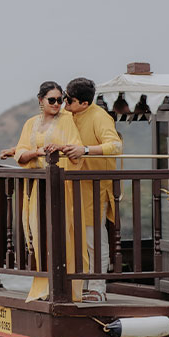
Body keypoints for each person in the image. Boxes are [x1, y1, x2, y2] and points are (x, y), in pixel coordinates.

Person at [14, 81, 86, 302]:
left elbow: (76, 150)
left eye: (60, 100)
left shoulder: (67, 121)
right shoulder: (30, 123)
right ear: (40, 100)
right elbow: (21, 153)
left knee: (63, 234)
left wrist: (60, 148)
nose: (57, 104)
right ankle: (43, 286)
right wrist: (37, 152)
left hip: (61, 186)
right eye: (51, 100)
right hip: (40, 186)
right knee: (39, 235)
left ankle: (65, 288)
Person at [61, 77, 123, 302]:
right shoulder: (68, 116)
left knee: (93, 238)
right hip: (70, 187)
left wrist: (85, 150)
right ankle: (79, 285)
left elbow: (115, 146)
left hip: (94, 187)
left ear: (84, 103)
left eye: (69, 99)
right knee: (72, 238)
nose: (64, 102)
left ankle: (98, 288)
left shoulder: (99, 117)